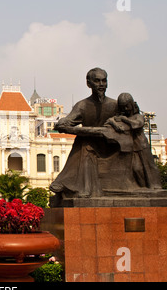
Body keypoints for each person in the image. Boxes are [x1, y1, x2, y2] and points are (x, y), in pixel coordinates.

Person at [50, 68, 118, 201]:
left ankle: (70, 184)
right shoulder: (82, 105)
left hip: (112, 146)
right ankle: (77, 186)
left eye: (104, 81)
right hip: (90, 146)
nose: (101, 84)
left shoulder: (114, 105)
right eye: (97, 81)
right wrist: (88, 132)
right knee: (84, 144)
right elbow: (64, 124)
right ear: (89, 84)